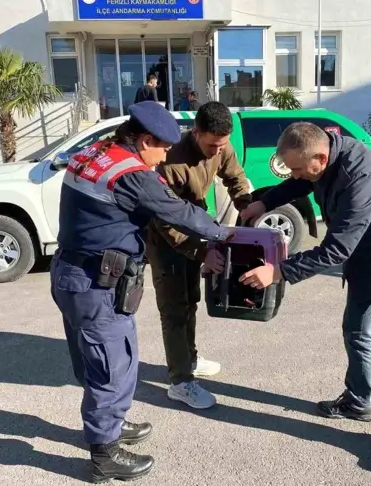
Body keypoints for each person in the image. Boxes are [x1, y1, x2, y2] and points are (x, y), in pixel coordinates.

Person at [50, 101, 232, 484]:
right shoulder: (132, 174)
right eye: (163, 147)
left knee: (99, 361)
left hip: (72, 274)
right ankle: (105, 456)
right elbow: (179, 212)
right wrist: (225, 234)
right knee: (112, 366)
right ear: (144, 140)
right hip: (96, 283)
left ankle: (111, 424)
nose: (166, 154)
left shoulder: (93, 153)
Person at [239, 122, 371, 474]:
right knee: (355, 330)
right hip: (364, 258)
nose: (297, 175)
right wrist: (263, 202)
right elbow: (301, 181)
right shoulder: (321, 158)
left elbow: (336, 250)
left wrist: (278, 271)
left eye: (299, 168)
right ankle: (359, 402)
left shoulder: (363, 178)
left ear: (321, 157)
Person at [145, 101, 252, 409]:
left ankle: (189, 357)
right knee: (174, 309)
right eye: (211, 145)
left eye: (222, 145)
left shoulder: (222, 146)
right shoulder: (172, 160)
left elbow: (235, 178)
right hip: (165, 237)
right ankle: (180, 382)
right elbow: (166, 220)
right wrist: (202, 251)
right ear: (195, 133)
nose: (218, 151)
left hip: (196, 224)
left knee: (191, 299)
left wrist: (248, 207)